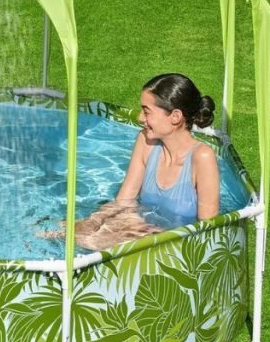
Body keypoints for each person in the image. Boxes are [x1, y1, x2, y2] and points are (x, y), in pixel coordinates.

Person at [46, 73, 220, 251]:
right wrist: (95, 222)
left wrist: (154, 235)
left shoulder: (202, 157)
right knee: (57, 230)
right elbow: (124, 200)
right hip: (142, 231)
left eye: (146, 111)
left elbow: (207, 230)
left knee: (90, 240)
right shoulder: (146, 142)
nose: (140, 118)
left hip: (177, 247)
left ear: (175, 117)